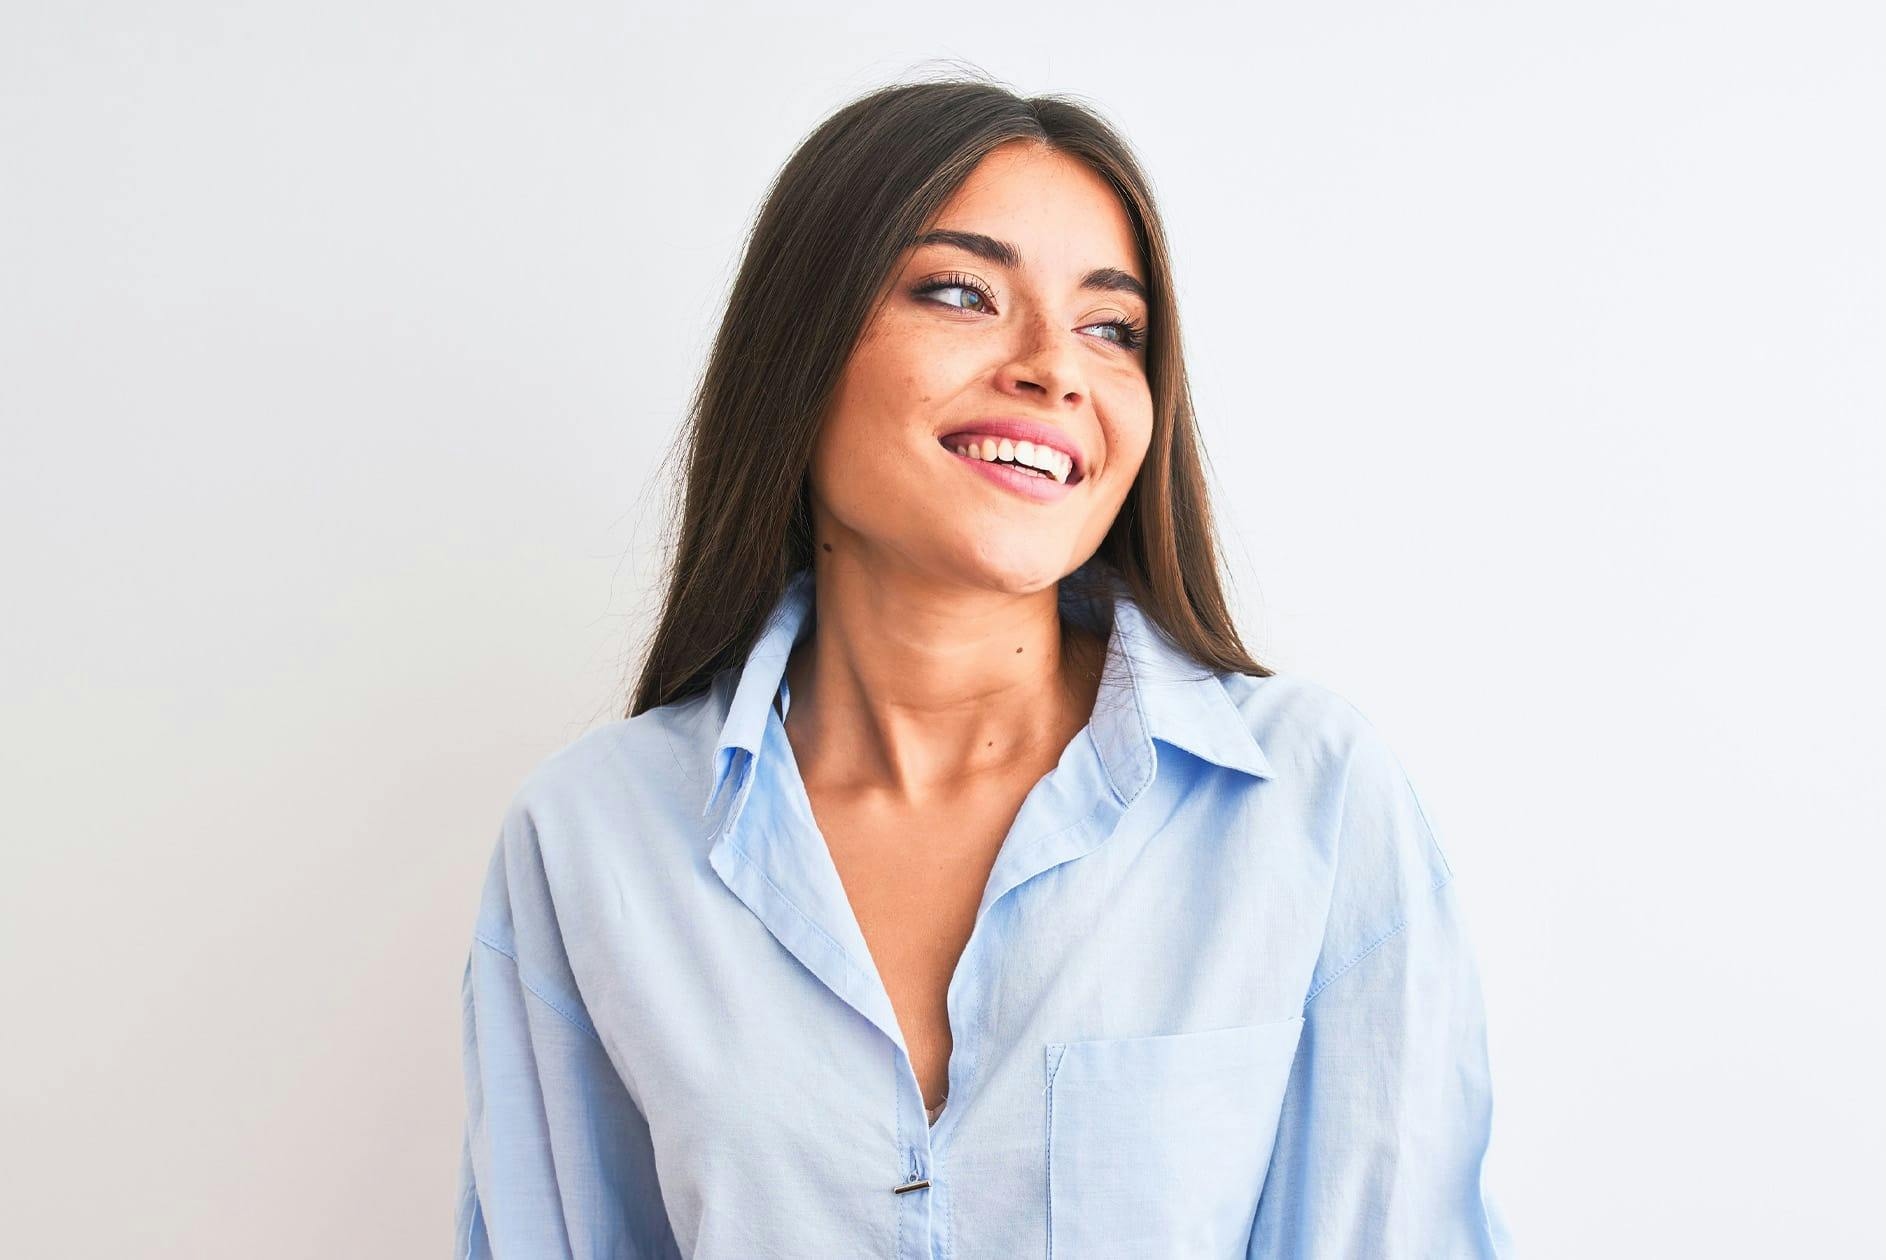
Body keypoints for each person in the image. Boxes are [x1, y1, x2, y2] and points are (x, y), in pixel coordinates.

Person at [454, 74, 1515, 1259]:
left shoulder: (1311, 808)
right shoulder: (591, 837)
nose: (1053, 368)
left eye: (1111, 329)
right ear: (796, 357)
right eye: (961, 293)